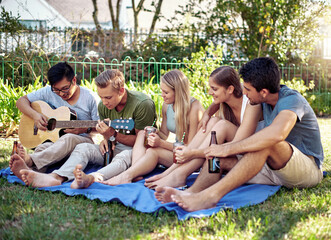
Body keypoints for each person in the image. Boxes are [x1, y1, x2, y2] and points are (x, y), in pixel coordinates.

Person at [155, 57, 324, 212]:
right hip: (270, 168)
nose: (243, 92)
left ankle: (210, 197)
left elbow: (276, 134)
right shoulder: (258, 97)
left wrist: (227, 148)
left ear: (263, 92)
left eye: (248, 89)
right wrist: (209, 112)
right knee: (218, 160)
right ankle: (192, 193)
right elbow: (227, 97)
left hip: (305, 170)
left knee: (265, 141)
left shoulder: (291, 100)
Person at [13, 69, 157, 188]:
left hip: (135, 152)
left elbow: (142, 143)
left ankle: (92, 178)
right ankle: (56, 177)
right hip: (113, 147)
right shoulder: (103, 105)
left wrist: (112, 135)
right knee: (82, 148)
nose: (104, 102)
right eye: (102, 97)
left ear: (121, 91)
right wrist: (106, 139)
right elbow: (107, 134)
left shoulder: (142, 104)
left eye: (108, 97)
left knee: (123, 156)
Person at [70, 69, 204, 189]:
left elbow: (189, 149)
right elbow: (163, 134)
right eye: (162, 90)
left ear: (178, 91)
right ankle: (133, 173)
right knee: (144, 136)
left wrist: (160, 143)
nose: (162, 95)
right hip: (177, 153)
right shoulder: (167, 106)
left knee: (153, 152)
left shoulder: (194, 108)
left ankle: (128, 175)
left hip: (191, 158)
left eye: (166, 92)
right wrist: (151, 133)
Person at [145, 66, 263, 189]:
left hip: (247, 152)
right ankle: (173, 173)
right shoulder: (225, 99)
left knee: (221, 125)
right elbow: (213, 106)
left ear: (230, 89)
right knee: (213, 121)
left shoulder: (251, 102)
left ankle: (180, 174)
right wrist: (207, 114)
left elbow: (237, 146)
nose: (210, 92)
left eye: (214, 89)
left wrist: (192, 153)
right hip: (230, 151)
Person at [9, 62, 99, 181]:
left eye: (65, 88)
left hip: (83, 140)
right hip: (56, 141)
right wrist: (35, 115)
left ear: (74, 80)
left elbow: (100, 126)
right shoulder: (49, 92)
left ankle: (30, 161)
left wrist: (85, 129)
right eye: (56, 90)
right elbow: (21, 101)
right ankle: (31, 174)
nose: (61, 94)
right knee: (43, 147)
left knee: (69, 138)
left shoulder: (90, 98)